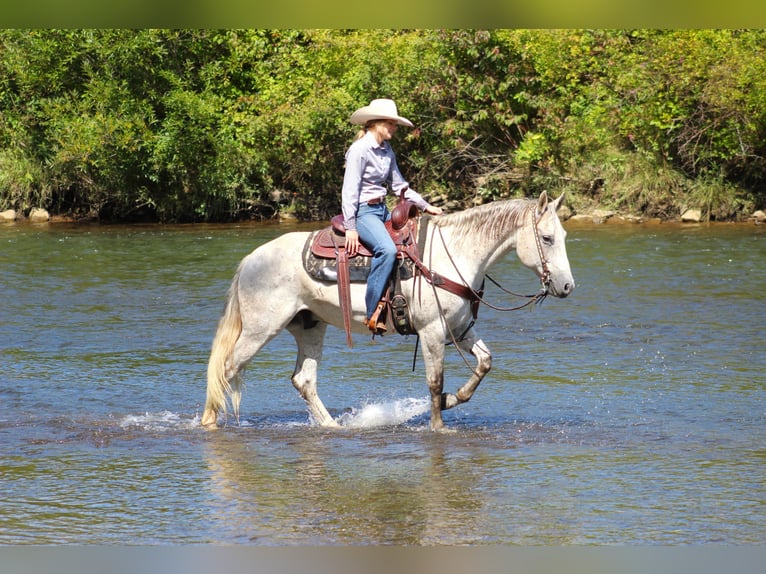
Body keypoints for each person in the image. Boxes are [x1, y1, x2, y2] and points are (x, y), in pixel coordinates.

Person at [341, 98, 443, 334]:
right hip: (364, 211)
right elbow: (349, 190)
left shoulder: (387, 151)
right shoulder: (360, 150)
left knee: (412, 243)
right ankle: (372, 311)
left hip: (382, 210)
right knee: (386, 250)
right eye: (391, 123)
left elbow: (400, 187)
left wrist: (427, 207)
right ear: (376, 123)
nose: (395, 128)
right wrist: (350, 227)